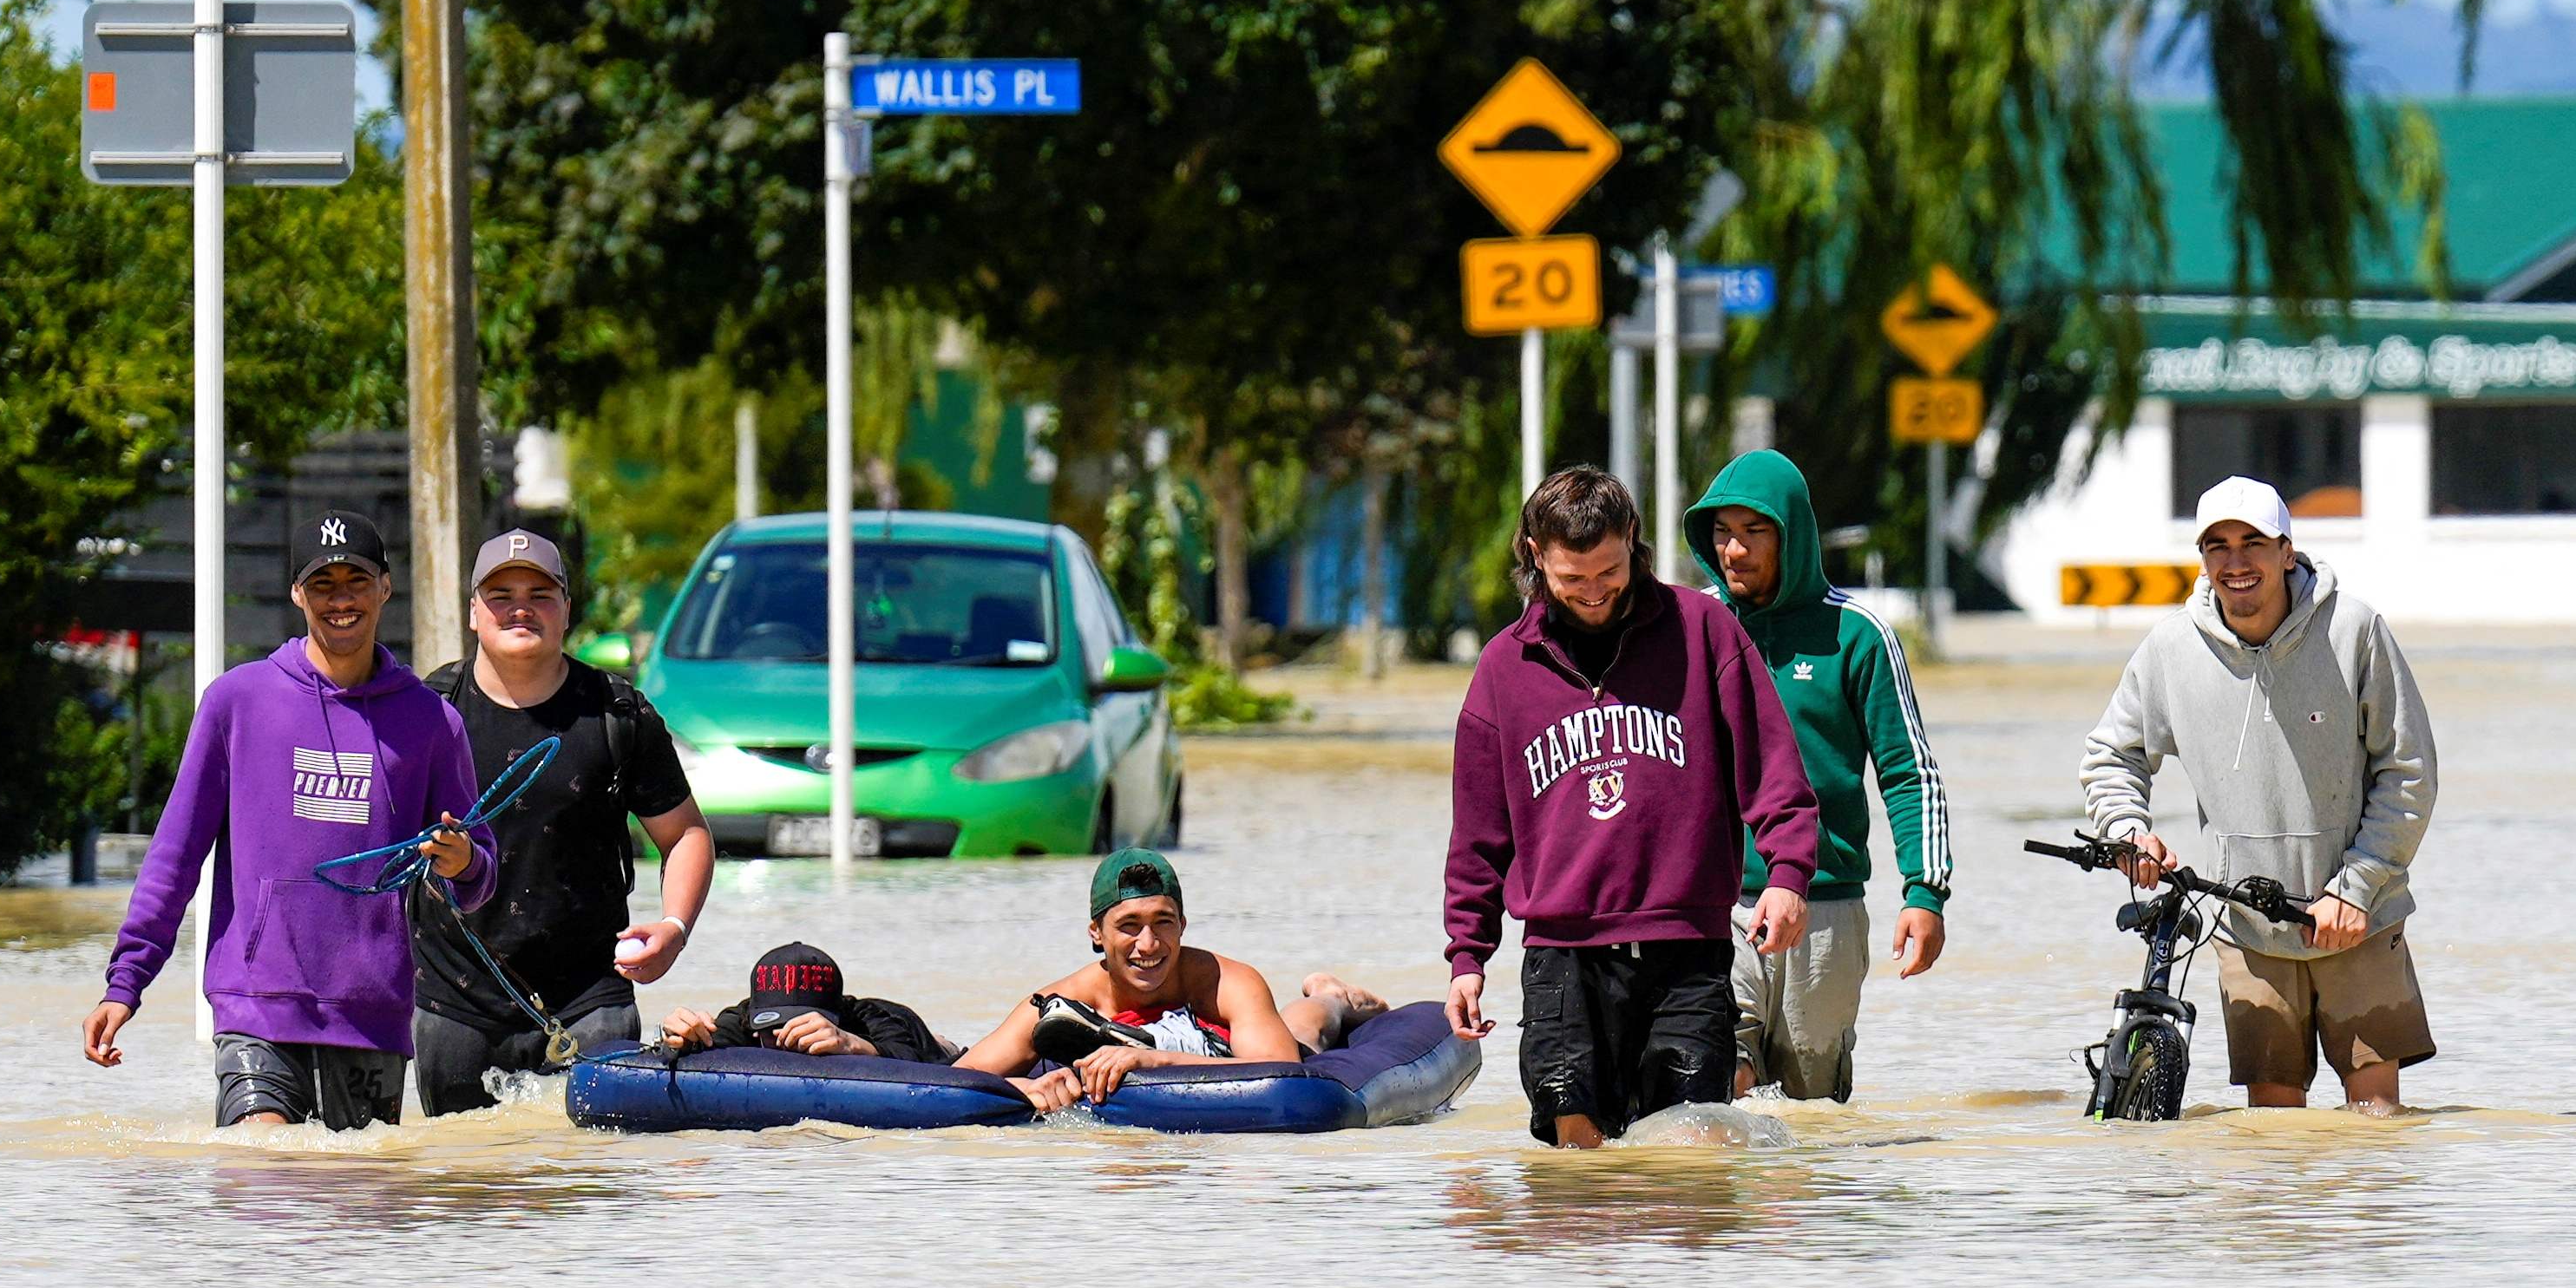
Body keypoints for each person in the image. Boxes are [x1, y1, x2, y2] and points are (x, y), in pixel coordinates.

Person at [1444, 466, 1821, 1146]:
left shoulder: (1705, 631)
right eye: (1572, 578)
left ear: (1633, 543)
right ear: (1534, 555)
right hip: (1563, 956)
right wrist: (1467, 958)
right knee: (1573, 1150)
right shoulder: (1503, 667)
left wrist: (1789, 875)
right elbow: (1477, 836)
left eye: (1608, 573)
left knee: (1688, 1148)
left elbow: (1773, 772)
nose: (1593, 593)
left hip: (1689, 950)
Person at [82, 512, 496, 1130]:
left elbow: (480, 873)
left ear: (385, 587)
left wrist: (464, 863)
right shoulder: (236, 702)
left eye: (355, 580)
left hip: (371, 1011)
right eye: (322, 584)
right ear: (297, 593)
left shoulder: (432, 721)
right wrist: (126, 982)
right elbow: (175, 854)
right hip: (256, 1003)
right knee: (264, 1170)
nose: (341, 599)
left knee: (359, 1206)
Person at [2079, 476, 2439, 1115]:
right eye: (2217, 546)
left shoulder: (2354, 629)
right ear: (2201, 558)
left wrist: (2355, 888)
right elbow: (2113, 754)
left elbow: (2407, 772)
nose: (2236, 561)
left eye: (2253, 543)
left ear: (2287, 552)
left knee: (2377, 1122)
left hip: (2358, 921)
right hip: (2243, 924)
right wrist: (2127, 830)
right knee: (2272, 1129)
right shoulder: (2168, 650)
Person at [1681, 448, 1951, 1101]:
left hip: (1826, 905)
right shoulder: (1695, 627)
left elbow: (1909, 772)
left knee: (1810, 1107)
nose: (1734, 551)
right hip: (1716, 908)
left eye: (1754, 532)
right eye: (1721, 533)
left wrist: (1925, 892)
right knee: (1718, 1077)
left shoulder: (1856, 635)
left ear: (1793, 535)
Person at [413, 528, 715, 1113]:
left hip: (591, 1003)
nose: (520, 607)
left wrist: (674, 930)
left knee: (592, 1191)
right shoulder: (427, 712)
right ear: (473, 612)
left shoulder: (617, 712)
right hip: (454, 1005)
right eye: (500, 594)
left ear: (567, 611)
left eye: (540, 593)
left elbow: (685, 835)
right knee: (457, 1186)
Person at [956, 848, 1379, 1114]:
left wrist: (1151, 1060)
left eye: (1163, 923)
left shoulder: (1226, 981)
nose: (1148, 944)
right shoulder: (1060, 1003)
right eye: (1129, 926)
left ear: (1183, 926)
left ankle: (1334, 997)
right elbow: (961, 1079)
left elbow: (1280, 1073)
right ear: (1096, 934)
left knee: (1304, 1030)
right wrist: (1027, 1086)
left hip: (1222, 1041)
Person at [660, 941, 951, 1062]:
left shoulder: (874, 1019)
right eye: (775, 1027)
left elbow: (912, 1058)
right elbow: (699, 1043)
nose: (790, 1039)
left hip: (932, 1044)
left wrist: (851, 1044)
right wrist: (683, 1037)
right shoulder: (741, 1021)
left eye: (806, 1025)